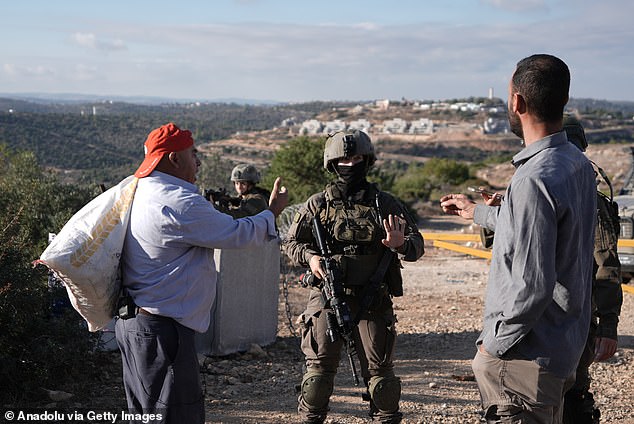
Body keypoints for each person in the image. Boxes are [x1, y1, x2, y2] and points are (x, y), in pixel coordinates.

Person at [440, 54, 597, 423]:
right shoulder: (574, 162)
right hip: (561, 350)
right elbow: (539, 228)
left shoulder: (533, 180)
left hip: (524, 361)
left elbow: (532, 287)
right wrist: (476, 212)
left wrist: (491, 345)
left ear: (517, 102)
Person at [114, 122, 288, 423]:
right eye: (193, 153)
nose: (198, 161)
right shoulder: (179, 202)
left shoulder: (138, 190)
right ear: (173, 159)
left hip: (135, 325)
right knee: (176, 415)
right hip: (163, 332)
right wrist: (271, 213)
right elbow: (237, 234)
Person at [283, 130, 424, 423]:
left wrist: (401, 244)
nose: (350, 164)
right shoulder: (317, 204)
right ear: (333, 163)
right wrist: (311, 258)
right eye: (344, 159)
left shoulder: (385, 204)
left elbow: (416, 245)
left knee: (382, 382)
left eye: (357, 158)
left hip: (373, 299)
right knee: (317, 380)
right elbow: (291, 243)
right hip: (327, 298)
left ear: (367, 161)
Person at [561, 117, 623, 424]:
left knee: (572, 393)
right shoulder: (551, 186)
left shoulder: (589, 199)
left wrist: (608, 327)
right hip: (547, 317)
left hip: (575, 318)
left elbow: (606, 264)